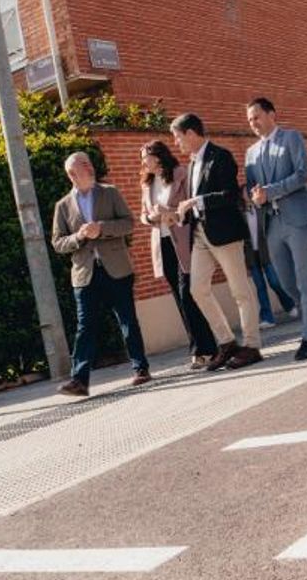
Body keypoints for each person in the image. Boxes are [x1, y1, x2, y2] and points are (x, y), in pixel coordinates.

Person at [245, 98, 307, 360]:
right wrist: (253, 195)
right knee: (287, 284)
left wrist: (270, 191)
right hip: (271, 223)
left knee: (305, 281)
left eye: (257, 117)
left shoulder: (291, 138)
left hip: (298, 219)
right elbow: (250, 185)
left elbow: (302, 174)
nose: (253, 123)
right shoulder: (251, 152)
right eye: (250, 120)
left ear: (272, 114)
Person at [52, 152, 152, 396]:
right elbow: (57, 243)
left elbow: (128, 223)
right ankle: (79, 381)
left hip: (116, 268)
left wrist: (102, 229)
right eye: (83, 164)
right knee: (85, 326)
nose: (90, 166)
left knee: (127, 319)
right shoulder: (63, 206)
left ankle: (141, 369)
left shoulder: (110, 192)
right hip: (85, 274)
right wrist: (80, 236)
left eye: (89, 161)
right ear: (72, 174)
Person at [172, 113, 263, 371]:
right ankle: (226, 342)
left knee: (240, 291)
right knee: (197, 288)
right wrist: (181, 213)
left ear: (191, 133)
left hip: (225, 233)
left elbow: (229, 194)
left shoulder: (220, 156)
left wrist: (196, 201)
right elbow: (195, 202)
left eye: (178, 137)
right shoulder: (190, 165)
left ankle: (252, 345)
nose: (177, 143)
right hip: (201, 234)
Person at [138, 140, 217, 371]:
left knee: (188, 294)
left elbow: (190, 209)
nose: (143, 162)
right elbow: (143, 214)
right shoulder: (148, 184)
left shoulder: (180, 174)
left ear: (158, 156)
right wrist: (150, 218)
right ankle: (201, 349)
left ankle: (206, 348)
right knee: (178, 295)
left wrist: (169, 212)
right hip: (162, 242)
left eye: (146, 157)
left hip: (182, 240)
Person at [243, 203, 297, 329]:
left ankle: (289, 304)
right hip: (250, 253)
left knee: (274, 282)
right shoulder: (239, 210)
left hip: (266, 250)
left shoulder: (261, 207)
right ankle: (267, 318)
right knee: (260, 286)